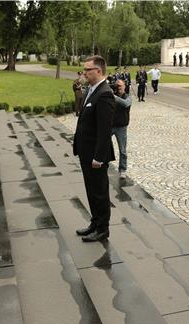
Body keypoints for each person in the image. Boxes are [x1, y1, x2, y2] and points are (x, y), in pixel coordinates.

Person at [73, 55, 116, 242]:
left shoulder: (104, 93)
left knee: (99, 192)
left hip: (96, 155)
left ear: (98, 71)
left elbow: (104, 129)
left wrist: (99, 157)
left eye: (87, 70)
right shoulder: (92, 90)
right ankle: (95, 222)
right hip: (86, 151)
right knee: (91, 190)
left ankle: (103, 229)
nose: (84, 73)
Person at [112, 79, 132, 179]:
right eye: (117, 86)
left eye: (120, 86)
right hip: (110, 126)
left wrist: (114, 97)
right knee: (102, 144)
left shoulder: (128, 97)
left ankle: (122, 169)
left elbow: (125, 104)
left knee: (122, 150)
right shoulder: (112, 95)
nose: (118, 88)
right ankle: (102, 163)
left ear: (124, 86)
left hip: (121, 127)